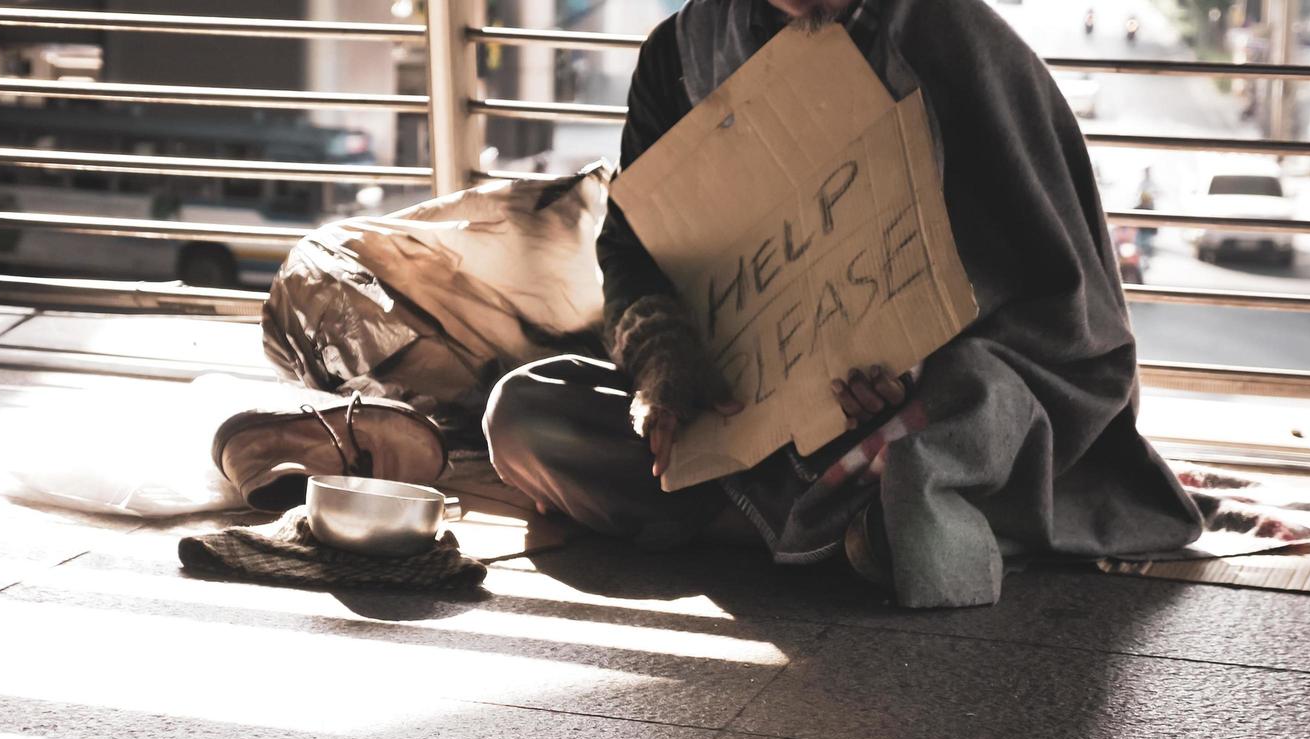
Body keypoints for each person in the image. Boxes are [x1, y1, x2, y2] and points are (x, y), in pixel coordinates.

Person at [483, 0, 1203, 608]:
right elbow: (633, 253)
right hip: (738, 409)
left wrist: (915, 359)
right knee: (526, 412)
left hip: (921, 391)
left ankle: (816, 516)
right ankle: (837, 526)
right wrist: (666, 370)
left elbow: (1068, 302)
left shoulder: (949, 35)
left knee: (975, 406)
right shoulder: (681, 52)